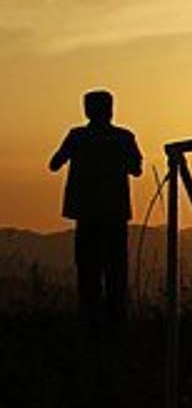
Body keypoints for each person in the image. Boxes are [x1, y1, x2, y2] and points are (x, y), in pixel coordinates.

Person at [49, 90, 143, 335]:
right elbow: (137, 169)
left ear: (87, 110)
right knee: (116, 271)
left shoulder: (77, 136)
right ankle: (116, 325)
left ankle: (90, 324)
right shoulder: (124, 137)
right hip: (114, 214)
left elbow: (54, 163)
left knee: (88, 272)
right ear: (111, 110)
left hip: (87, 214)